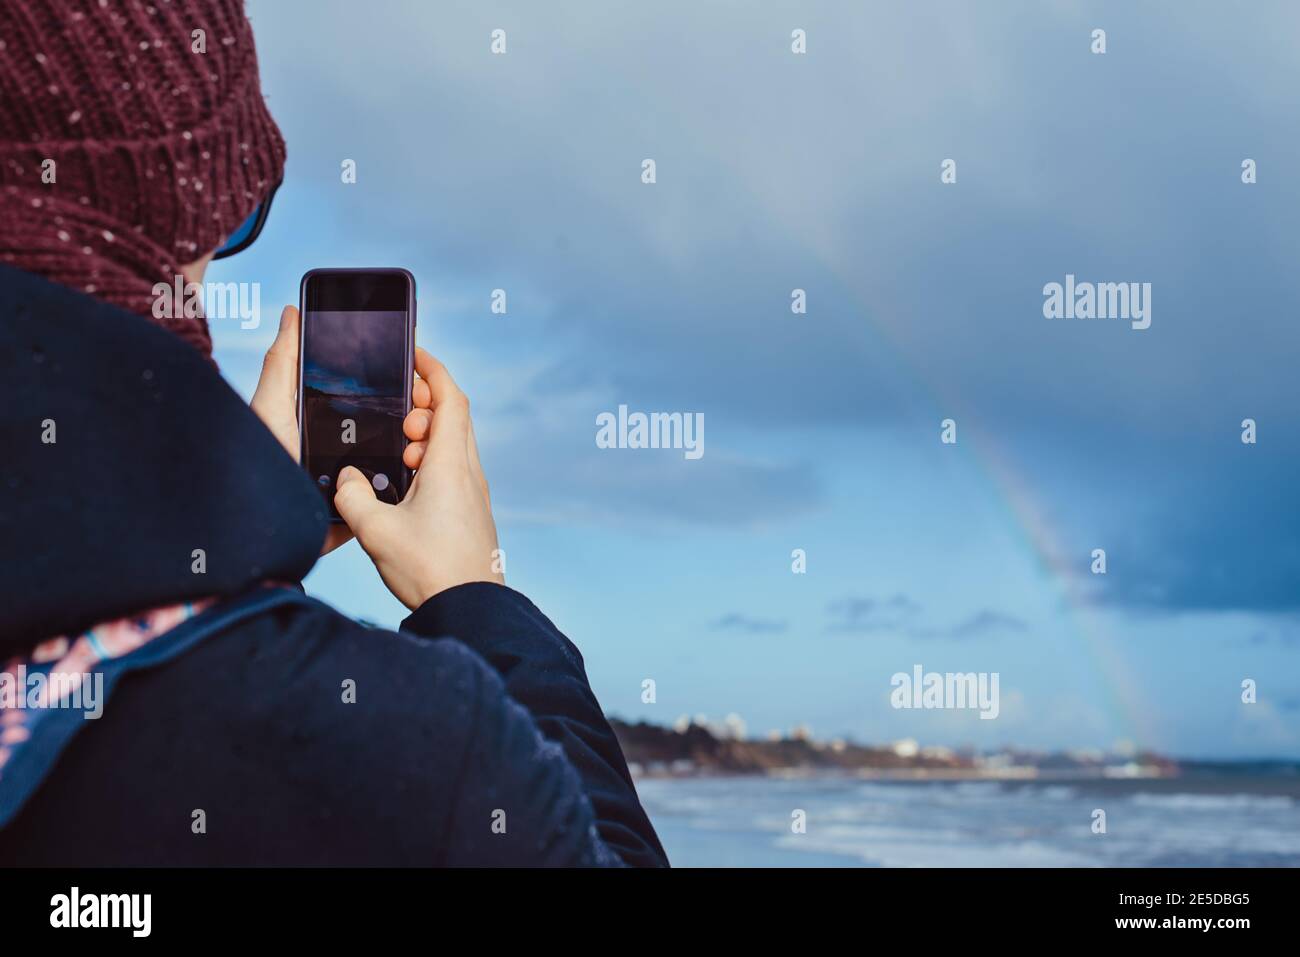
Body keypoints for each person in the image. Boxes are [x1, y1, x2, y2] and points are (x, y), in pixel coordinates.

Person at [0, 0, 666, 867]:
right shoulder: (415, 762)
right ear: (169, 224)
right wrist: (474, 595)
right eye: (235, 220)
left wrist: (224, 525)